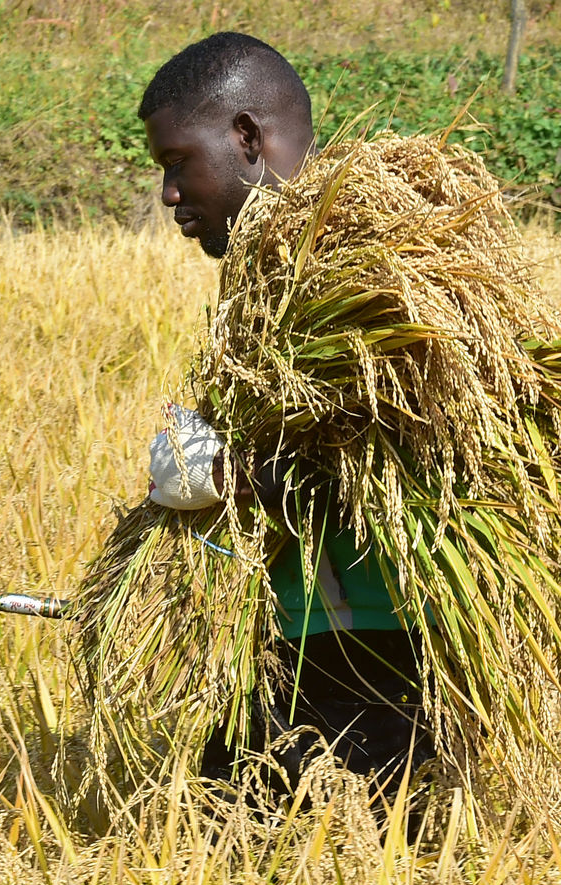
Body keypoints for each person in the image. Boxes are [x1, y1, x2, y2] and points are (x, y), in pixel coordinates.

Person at [139, 32, 433, 806]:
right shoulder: (269, 290)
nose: (169, 195)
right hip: (301, 648)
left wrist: (235, 475)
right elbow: (194, 447)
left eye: (176, 162)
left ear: (244, 138)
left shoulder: (378, 267)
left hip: (383, 662)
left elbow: (390, 457)